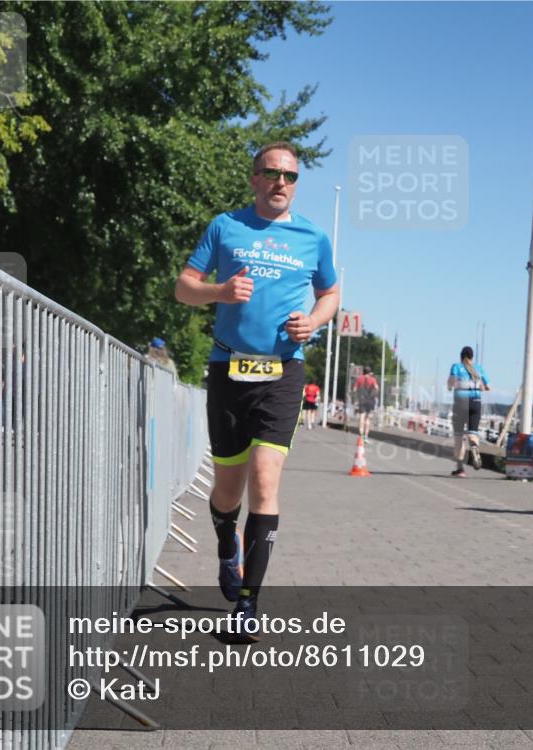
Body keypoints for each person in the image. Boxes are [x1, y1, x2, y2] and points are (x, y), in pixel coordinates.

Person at [174, 141, 339, 641]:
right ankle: (227, 545)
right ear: (254, 179)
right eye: (270, 173)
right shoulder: (226, 226)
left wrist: (312, 322)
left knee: (265, 482)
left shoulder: (313, 236)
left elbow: (330, 293)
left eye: (289, 176)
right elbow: (184, 286)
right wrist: (219, 292)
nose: (280, 183)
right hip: (228, 368)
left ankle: (249, 602)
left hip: (283, 373)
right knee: (228, 490)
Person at [447, 346, 489, 477]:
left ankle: (460, 469)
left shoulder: (456, 367)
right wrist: (477, 387)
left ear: (461, 356)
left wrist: (450, 386)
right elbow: (487, 387)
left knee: (459, 437)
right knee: (472, 433)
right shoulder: (479, 368)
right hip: (476, 403)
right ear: (472, 357)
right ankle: (475, 448)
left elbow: (451, 383)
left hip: (460, 403)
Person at [352, 365, 379, 442]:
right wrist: (373, 395)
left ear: (363, 371)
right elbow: (377, 388)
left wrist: (356, 395)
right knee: (368, 418)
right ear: (370, 372)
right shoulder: (373, 379)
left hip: (362, 400)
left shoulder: (359, 378)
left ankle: (361, 435)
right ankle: (366, 436)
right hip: (370, 400)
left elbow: (354, 389)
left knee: (362, 416)